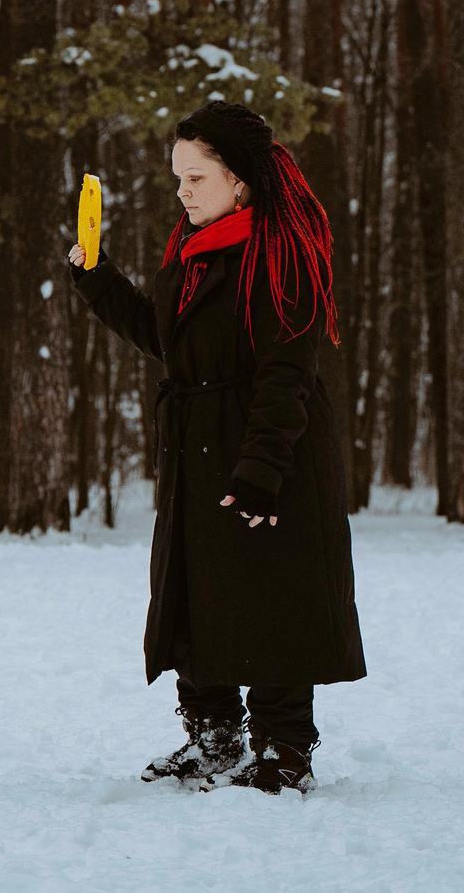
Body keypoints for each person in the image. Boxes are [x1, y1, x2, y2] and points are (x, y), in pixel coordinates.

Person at [66, 100, 365, 794]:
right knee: (198, 593)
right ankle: (214, 737)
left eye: (196, 178)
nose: (183, 192)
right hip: (197, 446)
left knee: (272, 596)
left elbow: (287, 374)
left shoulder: (283, 256)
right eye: (178, 178)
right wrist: (98, 279)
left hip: (269, 448)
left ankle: (284, 749)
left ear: (240, 181)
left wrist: (262, 470)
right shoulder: (193, 252)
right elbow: (167, 341)